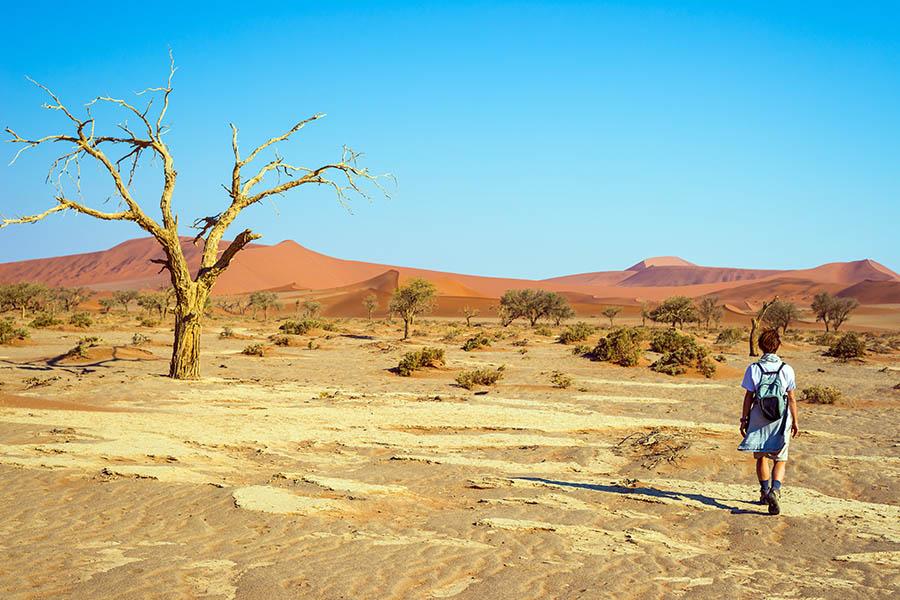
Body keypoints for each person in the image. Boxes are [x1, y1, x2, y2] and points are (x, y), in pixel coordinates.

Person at [738, 328, 800, 515]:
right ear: (778, 346)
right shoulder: (787, 369)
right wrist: (795, 421)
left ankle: (764, 492)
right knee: (780, 457)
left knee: (761, 455)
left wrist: (744, 419)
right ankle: (775, 490)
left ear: (760, 346)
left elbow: (748, 396)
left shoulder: (754, 368)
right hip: (781, 417)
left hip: (759, 415)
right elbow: (791, 398)